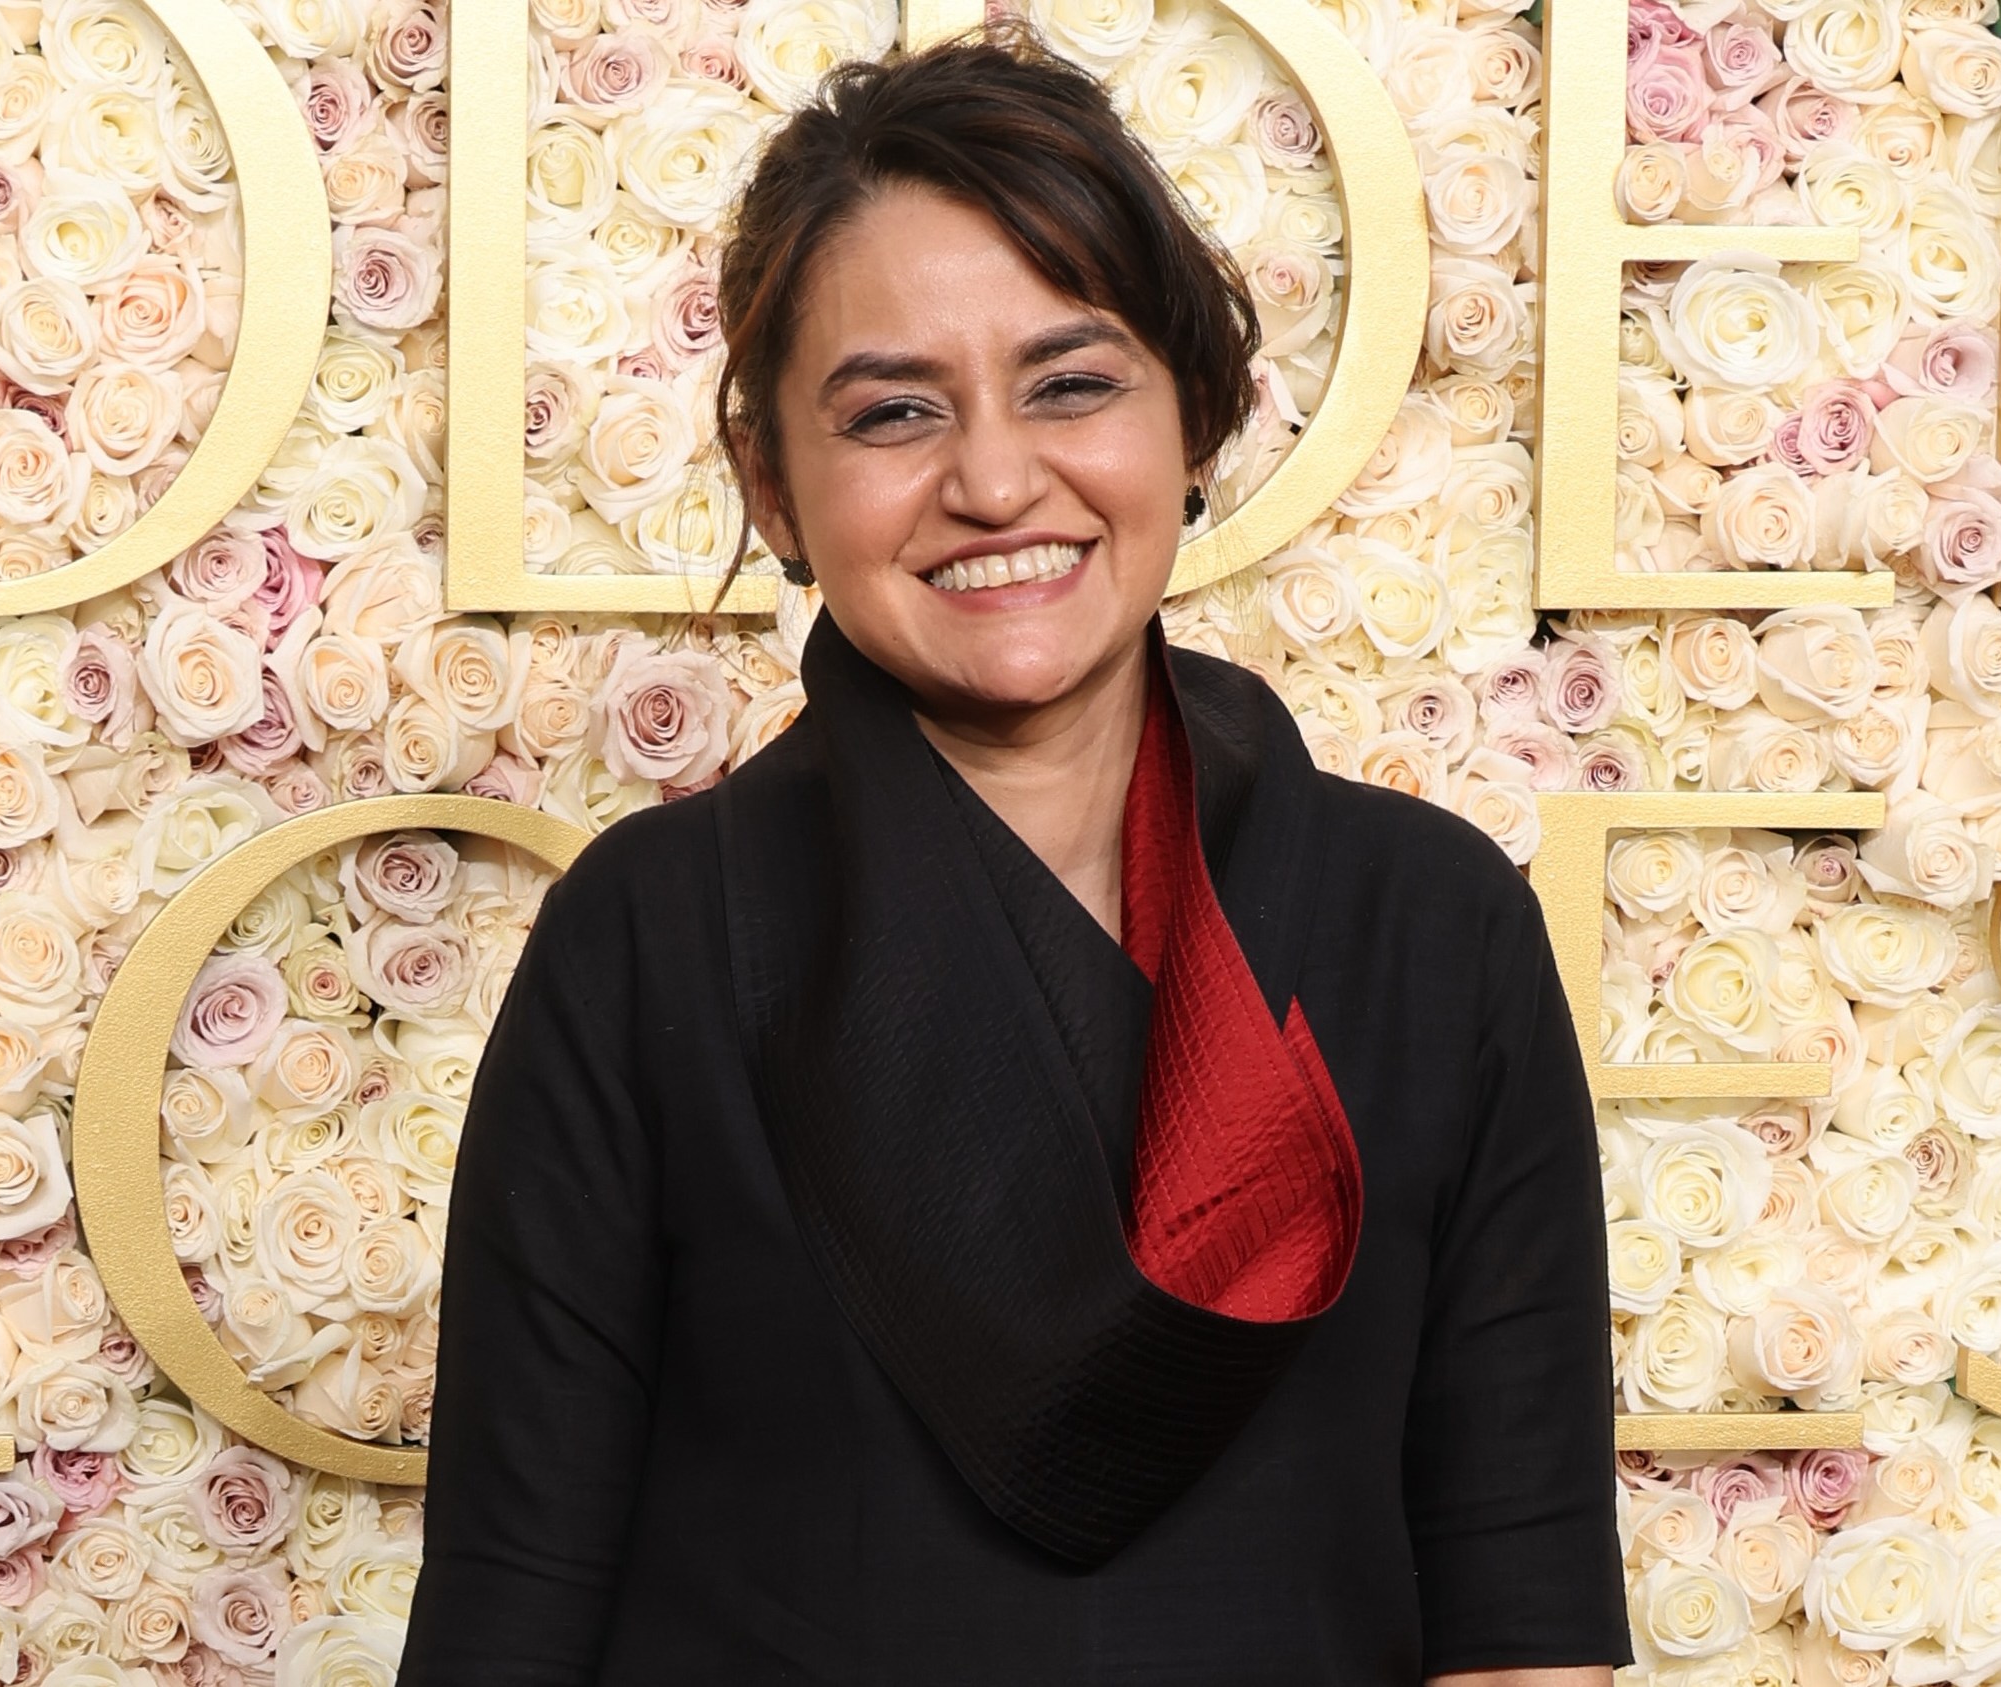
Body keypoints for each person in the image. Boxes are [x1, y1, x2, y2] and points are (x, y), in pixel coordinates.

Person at [398, 28, 1629, 1686]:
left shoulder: (1429, 929)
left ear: (1194, 415)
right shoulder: (654, 940)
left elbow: (1521, 1613)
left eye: (1072, 383)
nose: (992, 481)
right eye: (894, 411)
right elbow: (510, 1612)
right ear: (773, 482)